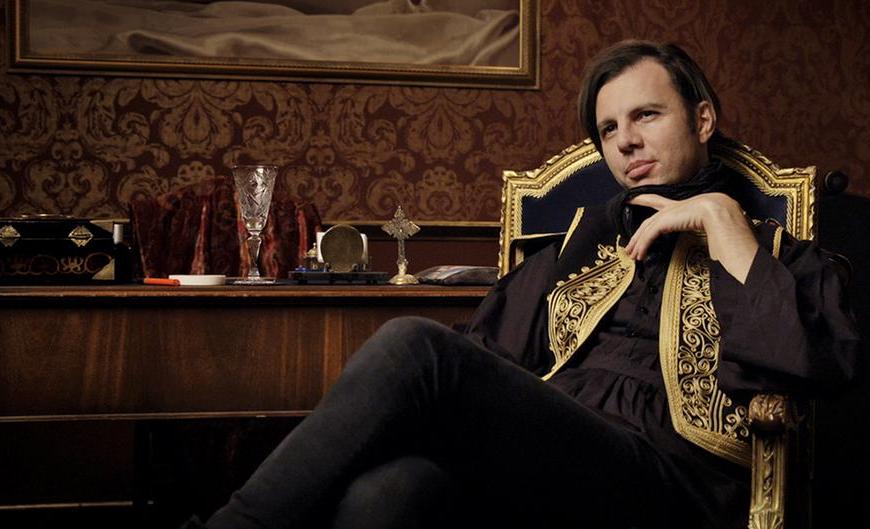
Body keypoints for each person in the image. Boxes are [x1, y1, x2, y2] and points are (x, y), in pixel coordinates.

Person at [181, 40, 860, 529]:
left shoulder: (778, 252)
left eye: (647, 115)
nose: (625, 141)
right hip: (556, 463)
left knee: (412, 346)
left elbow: (814, 365)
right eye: (609, 129)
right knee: (389, 493)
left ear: (702, 120)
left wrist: (722, 220)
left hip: (670, 484)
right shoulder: (581, 248)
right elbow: (486, 355)